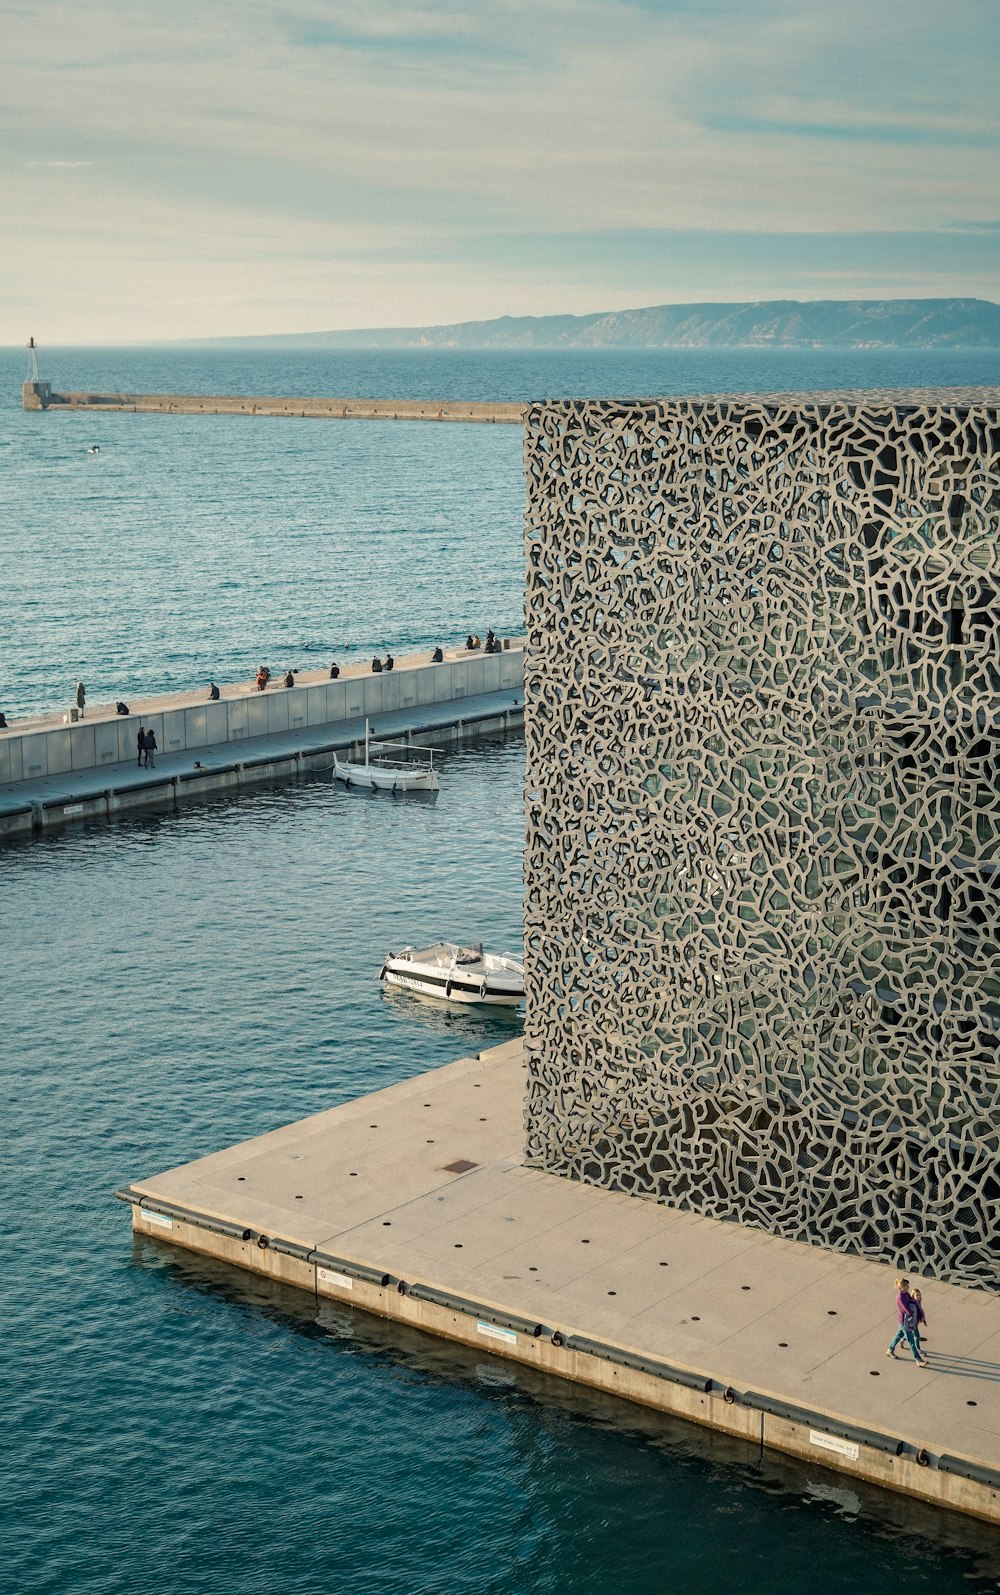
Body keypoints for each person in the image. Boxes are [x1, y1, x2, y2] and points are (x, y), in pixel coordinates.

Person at [887, 1276, 927, 1364]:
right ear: (903, 1287)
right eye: (907, 1286)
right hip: (905, 1321)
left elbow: (911, 1301)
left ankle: (890, 1349)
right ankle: (918, 1359)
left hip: (905, 1321)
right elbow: (907, 1310)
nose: (909, 1287)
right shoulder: (900, 1297)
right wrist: (914, 1311)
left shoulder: (906, 1294)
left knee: (899, 1335)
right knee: (911, 1340)